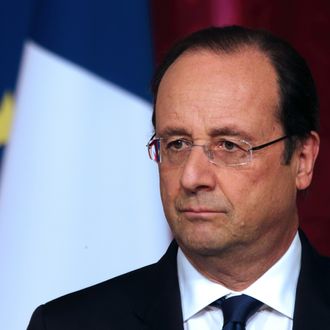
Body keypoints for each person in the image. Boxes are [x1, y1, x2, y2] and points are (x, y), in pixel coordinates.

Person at [27, 26, 330, 330]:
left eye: (228, 145)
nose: (191, 176)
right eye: (177, 144)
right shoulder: (64, 324)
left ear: (302, 160)